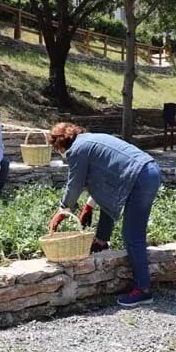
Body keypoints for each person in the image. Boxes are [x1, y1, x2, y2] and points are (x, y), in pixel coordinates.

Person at [47, 123, 161, 307]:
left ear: (60, 144)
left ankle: (143, 290)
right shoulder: (90, 140)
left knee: (132, 236)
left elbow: (74, 185)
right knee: (129, 227)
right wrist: (90, 206)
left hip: (139, 178)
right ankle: (101, 241)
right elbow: (107, 185)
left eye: (56, 149)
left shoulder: (77, 150)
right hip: (149, 170)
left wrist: (63, 209)